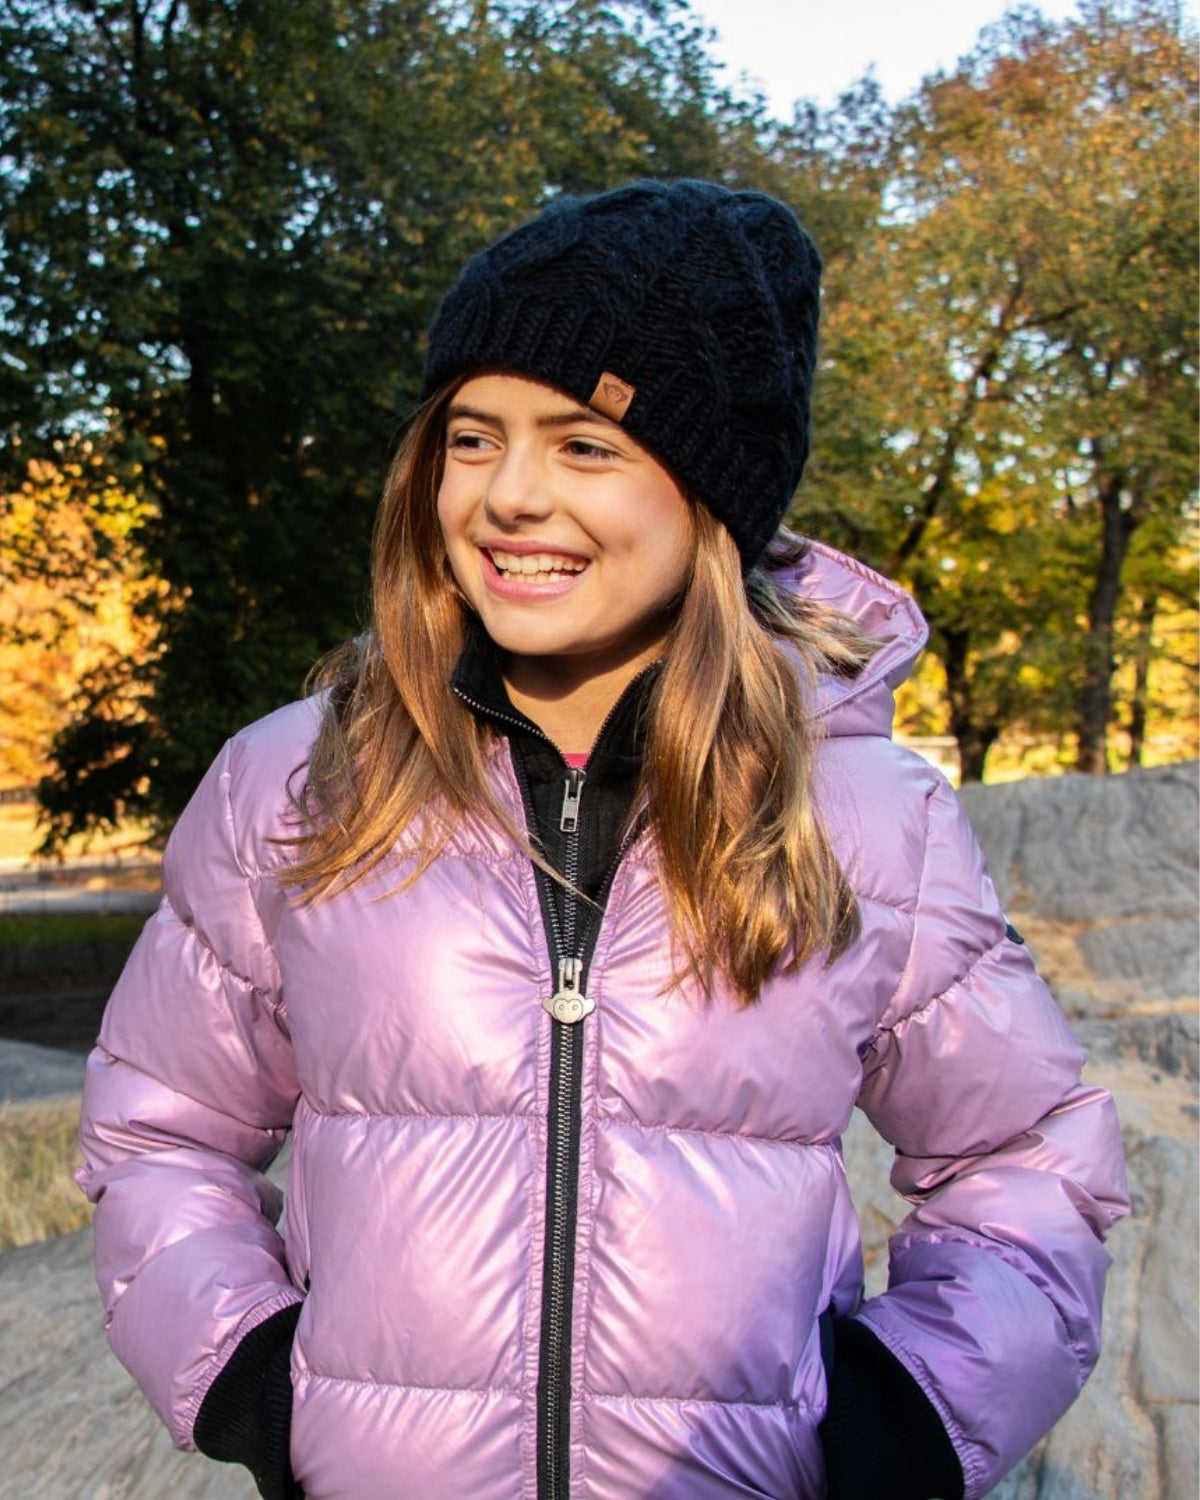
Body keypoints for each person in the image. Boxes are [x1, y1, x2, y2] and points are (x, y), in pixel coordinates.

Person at [77, 179, 1129, 1500]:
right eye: (473, 436)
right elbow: (156, 1133)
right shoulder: (291, 789)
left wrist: (906, 1413)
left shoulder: (869, 818)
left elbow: (1026, 1165)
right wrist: (246, 1366)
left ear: (710, 493)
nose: (510, 495)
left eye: (585, 444)